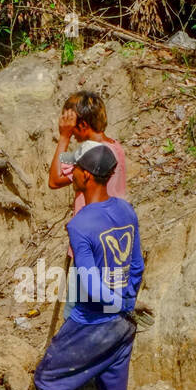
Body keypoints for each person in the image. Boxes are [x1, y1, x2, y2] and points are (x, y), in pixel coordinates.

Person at [34, 144, 144, 390]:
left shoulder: (81, 224)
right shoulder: (126, 211)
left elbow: (89, 283)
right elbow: (137, 266)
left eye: (76, 169)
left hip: (93, 321)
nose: (74, 174)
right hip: (122, 325)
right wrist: (127, 303)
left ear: (85, 175)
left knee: (48, 381)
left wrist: (119, 304)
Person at [48, 90, 128, 321]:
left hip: (89, 245)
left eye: (71, 126)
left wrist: (62, 138)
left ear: (82, 125)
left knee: (75, 316)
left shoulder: (87, 154)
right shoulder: (115, 148)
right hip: (113, 244)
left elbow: (54, 180)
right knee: (103, 315)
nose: (71, 133)